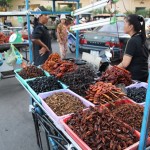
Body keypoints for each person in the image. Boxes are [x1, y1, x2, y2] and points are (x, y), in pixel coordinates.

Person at [118, 14, 149, 82]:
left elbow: (124, 64)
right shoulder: (143, 39)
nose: (123, 26)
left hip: (134, 80)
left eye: (125, 23)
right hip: (143, 77)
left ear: (130, 26)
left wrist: (112, 69)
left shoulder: (132, 41)